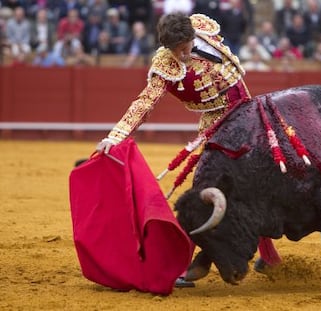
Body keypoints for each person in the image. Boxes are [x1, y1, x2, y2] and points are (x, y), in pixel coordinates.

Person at [95, 12, 282, 288]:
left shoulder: (203, 26)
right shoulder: (165, 64)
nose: (183, 54)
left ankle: (270, 257)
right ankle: (184, 265)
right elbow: (144, 103)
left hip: (248, 112)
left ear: (192, 35)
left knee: (252, 183)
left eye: (185, 47)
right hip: (217, 122)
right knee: (204, 187)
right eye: (176, 50)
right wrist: (116, 136)